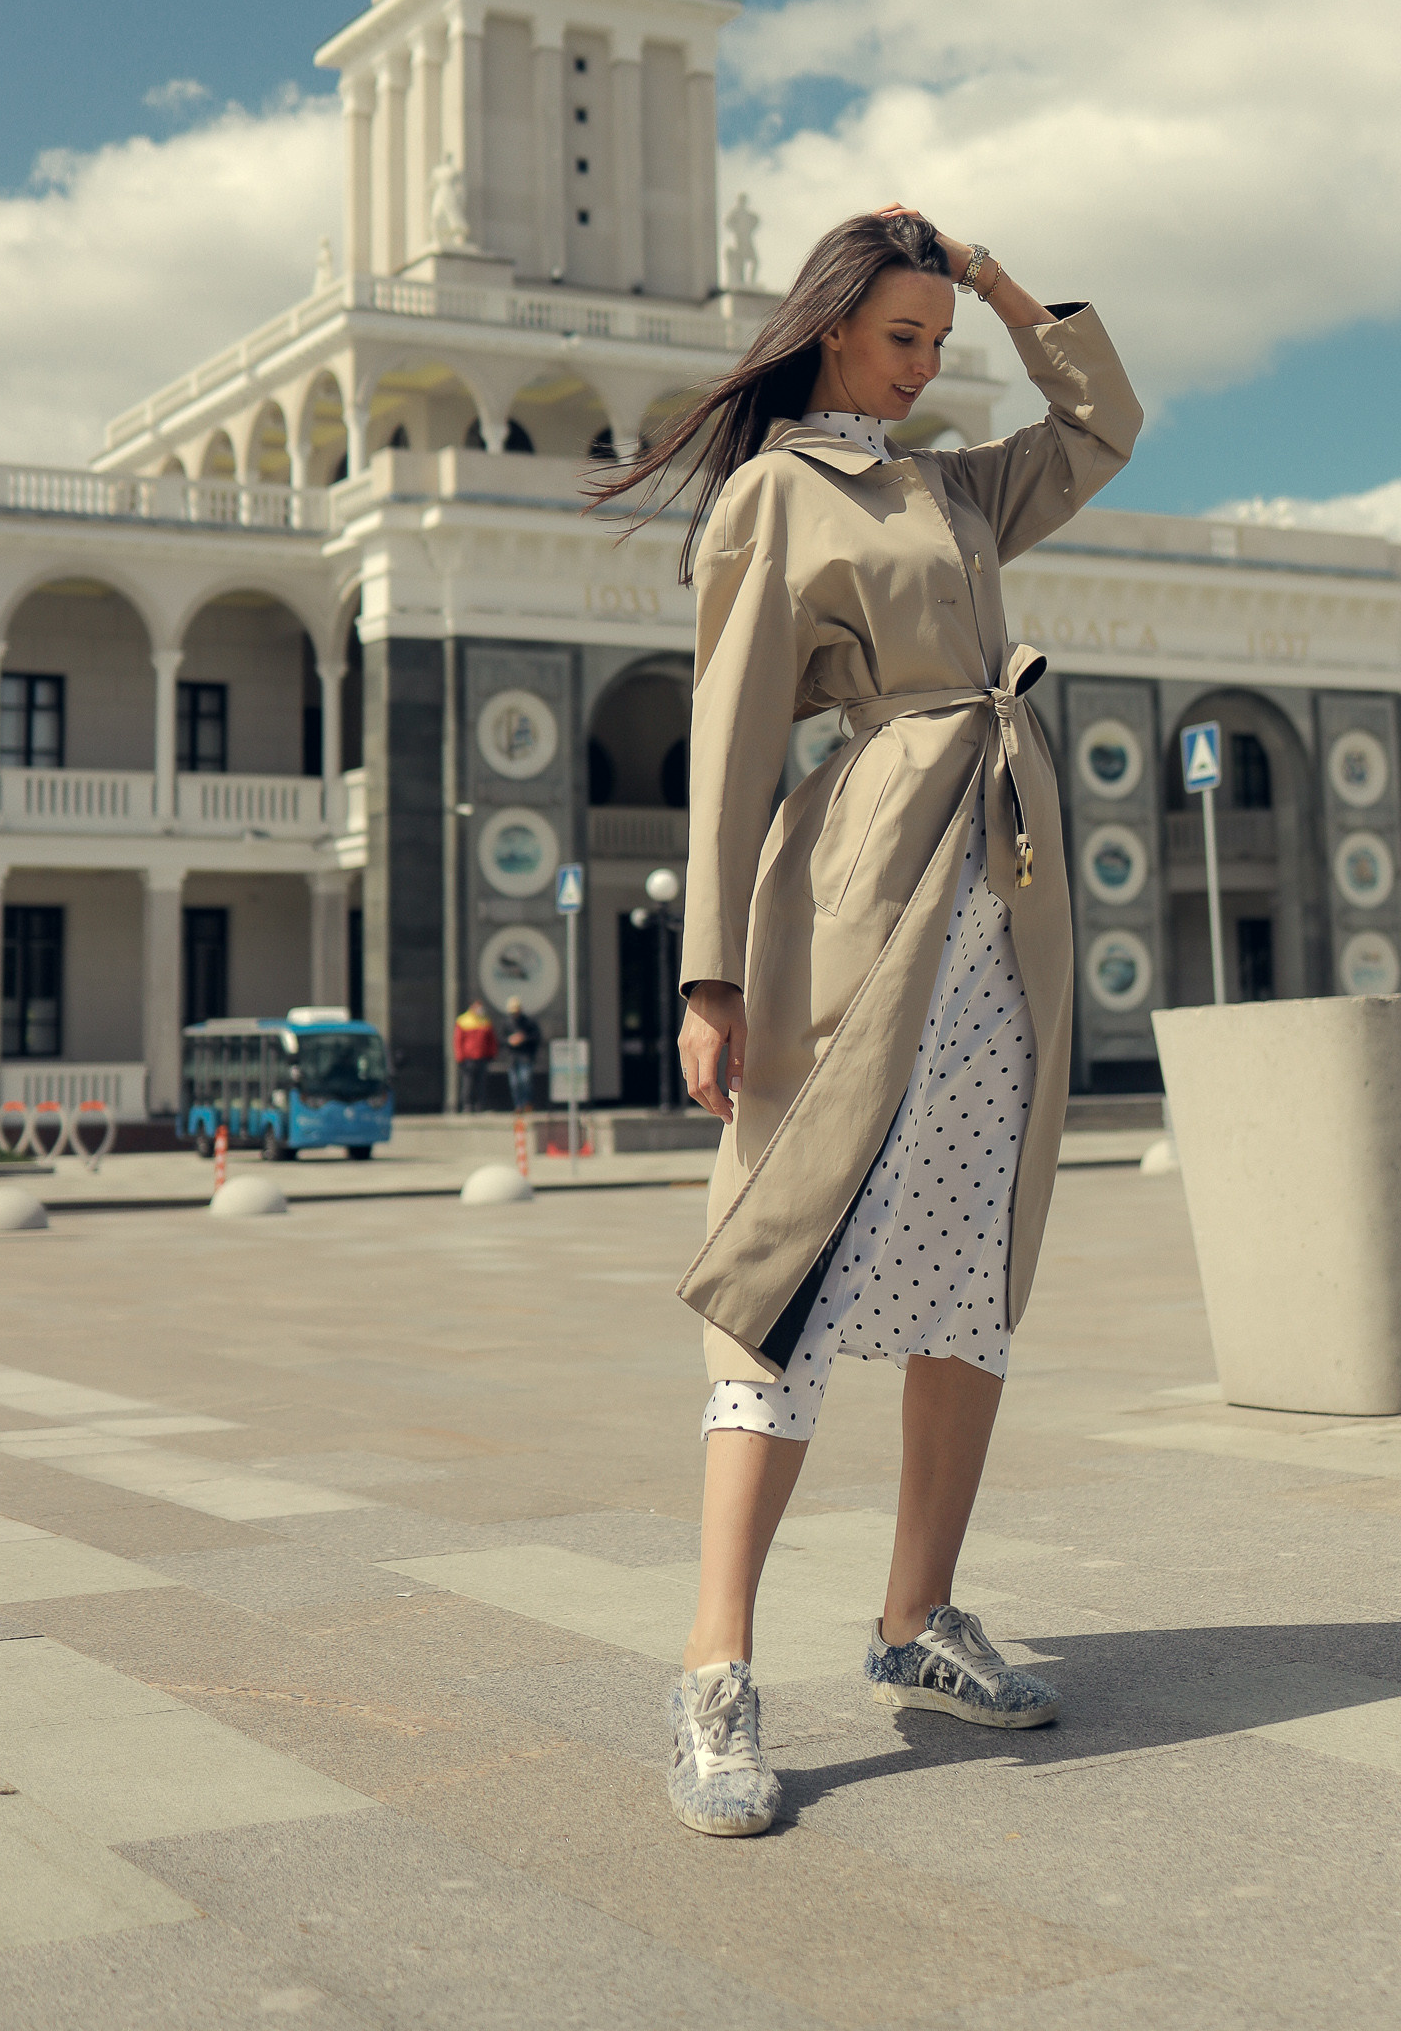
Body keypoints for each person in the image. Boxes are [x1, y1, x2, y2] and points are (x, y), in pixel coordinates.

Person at [592, 207, 1140, 1837]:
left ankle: (917, 1617)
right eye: (903, 337)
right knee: (794, 1267)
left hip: (1001, 908)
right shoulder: (776, 497)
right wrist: (709, 975)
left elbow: (1102, 421)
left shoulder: (957, 486)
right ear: (831, 329)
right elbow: (731, 735)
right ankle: (713, 1671)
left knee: (972, 1264)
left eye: (939, 343)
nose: (923, 366)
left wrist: (998, 285)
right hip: (862, 898)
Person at [453, 997, 498, 1114]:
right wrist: (460, 1057)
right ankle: (467, 1104)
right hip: (469, 1058)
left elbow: (491, 1040)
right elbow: (458, 1041)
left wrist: (492, 1054)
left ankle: (480, 1104)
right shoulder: (463, 1021)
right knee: (468, 1082)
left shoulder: (485, 1021)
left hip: (482, 1057)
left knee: (481, 1083)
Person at [501, 997, 542, 1112]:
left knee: (525, 1080)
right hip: (512, 1057)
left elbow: (536, 1037)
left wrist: (524, 1038)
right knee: (514, 1083)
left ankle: (527, 1102)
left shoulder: (528, 1022)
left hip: (525, 1056)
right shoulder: (507, 1023)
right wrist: (510, 1041)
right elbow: (501, 1039)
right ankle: (518, 1105)